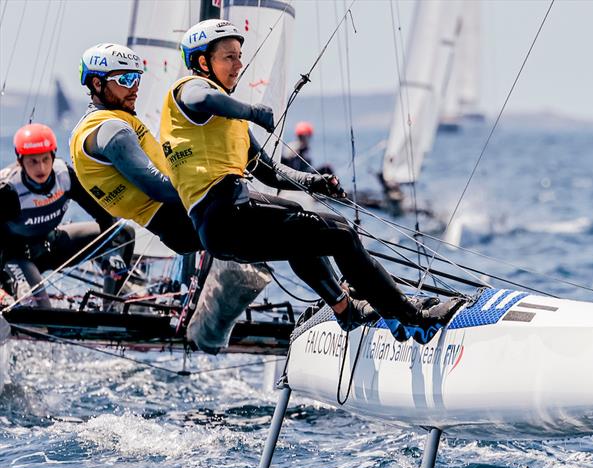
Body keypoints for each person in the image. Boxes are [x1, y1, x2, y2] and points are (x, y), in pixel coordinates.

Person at [160, 19, 460, 344]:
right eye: (228, 57)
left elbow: (268, 171)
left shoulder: (228, 121)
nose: (239, 65)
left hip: (228, 218)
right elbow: (201, 99)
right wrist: (251, 111)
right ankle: (411, 318)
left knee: (303, 230)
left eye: (239, 56)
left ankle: (346, 308)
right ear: (203, 62)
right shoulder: (190, 89)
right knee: (342, 235)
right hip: (223, 215)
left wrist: (313, 182)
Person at [69, 43, 202, 256]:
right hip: (186, 219)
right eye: (126, 80)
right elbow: (157, 187)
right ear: (97, 83)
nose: (135, 88)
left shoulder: (95, 126)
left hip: (179, 229)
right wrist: (212, 187)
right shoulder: (109, 128)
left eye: (137, 79)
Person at [0, 123, 134, 308]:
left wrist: (111, 252)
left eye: (46, 159)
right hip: (15, 257)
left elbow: (104, 216)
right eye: (33, 161)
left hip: (51, 244)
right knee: (38, 307)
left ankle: (109, 312)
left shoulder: (64, 176)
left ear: (53, 156)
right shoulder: (9, 191)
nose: (41, 168)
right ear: (20, 161)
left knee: (123, 234)